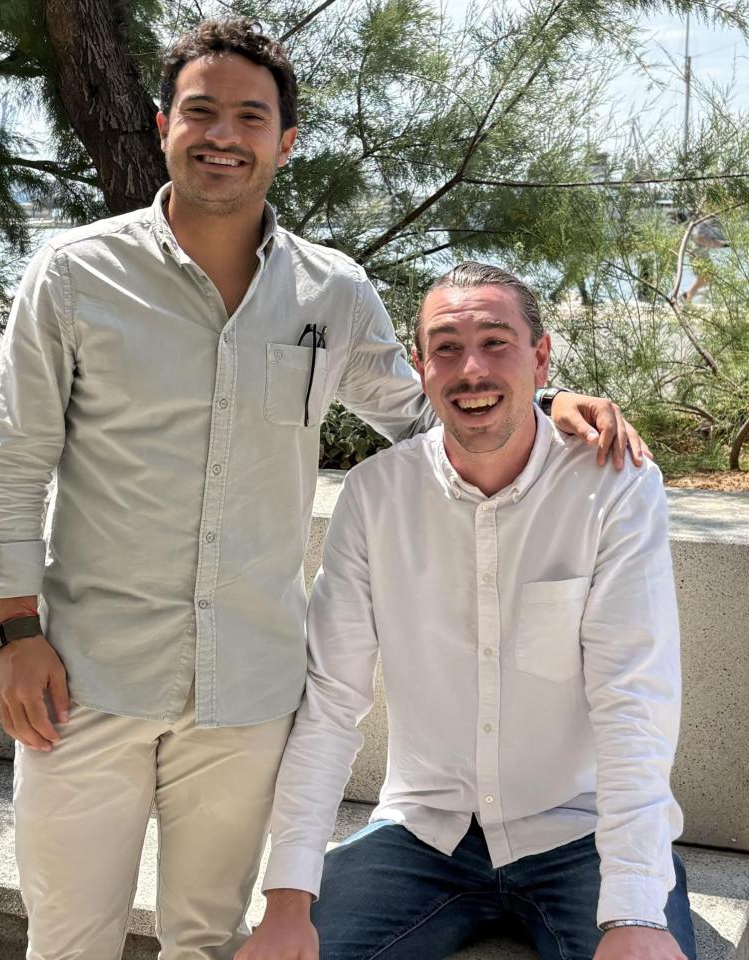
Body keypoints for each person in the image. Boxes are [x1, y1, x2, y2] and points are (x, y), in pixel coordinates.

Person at [0, 20, 649, 960]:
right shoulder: (75, 275)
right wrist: (14, 631)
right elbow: (12, 458)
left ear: (285, 142)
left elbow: (424, 414)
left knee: (209, 940)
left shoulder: (332, 292)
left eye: (251, 117)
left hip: (249, 692)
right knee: (68, 941)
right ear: (163, 126)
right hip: (85, 677)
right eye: (201, 112)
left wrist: (546, 399)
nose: (224, 135)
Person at [237, 261, 692, 960]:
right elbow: (330, 703)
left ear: (541, 359)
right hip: (424, 834)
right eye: (446, 348)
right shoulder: (375, 497)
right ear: (420, 368)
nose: (470, 369)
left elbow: (635, 696)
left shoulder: (613, 486)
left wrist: (635, 907)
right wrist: (288, 897)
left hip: (584, 832)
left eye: (496, 342)